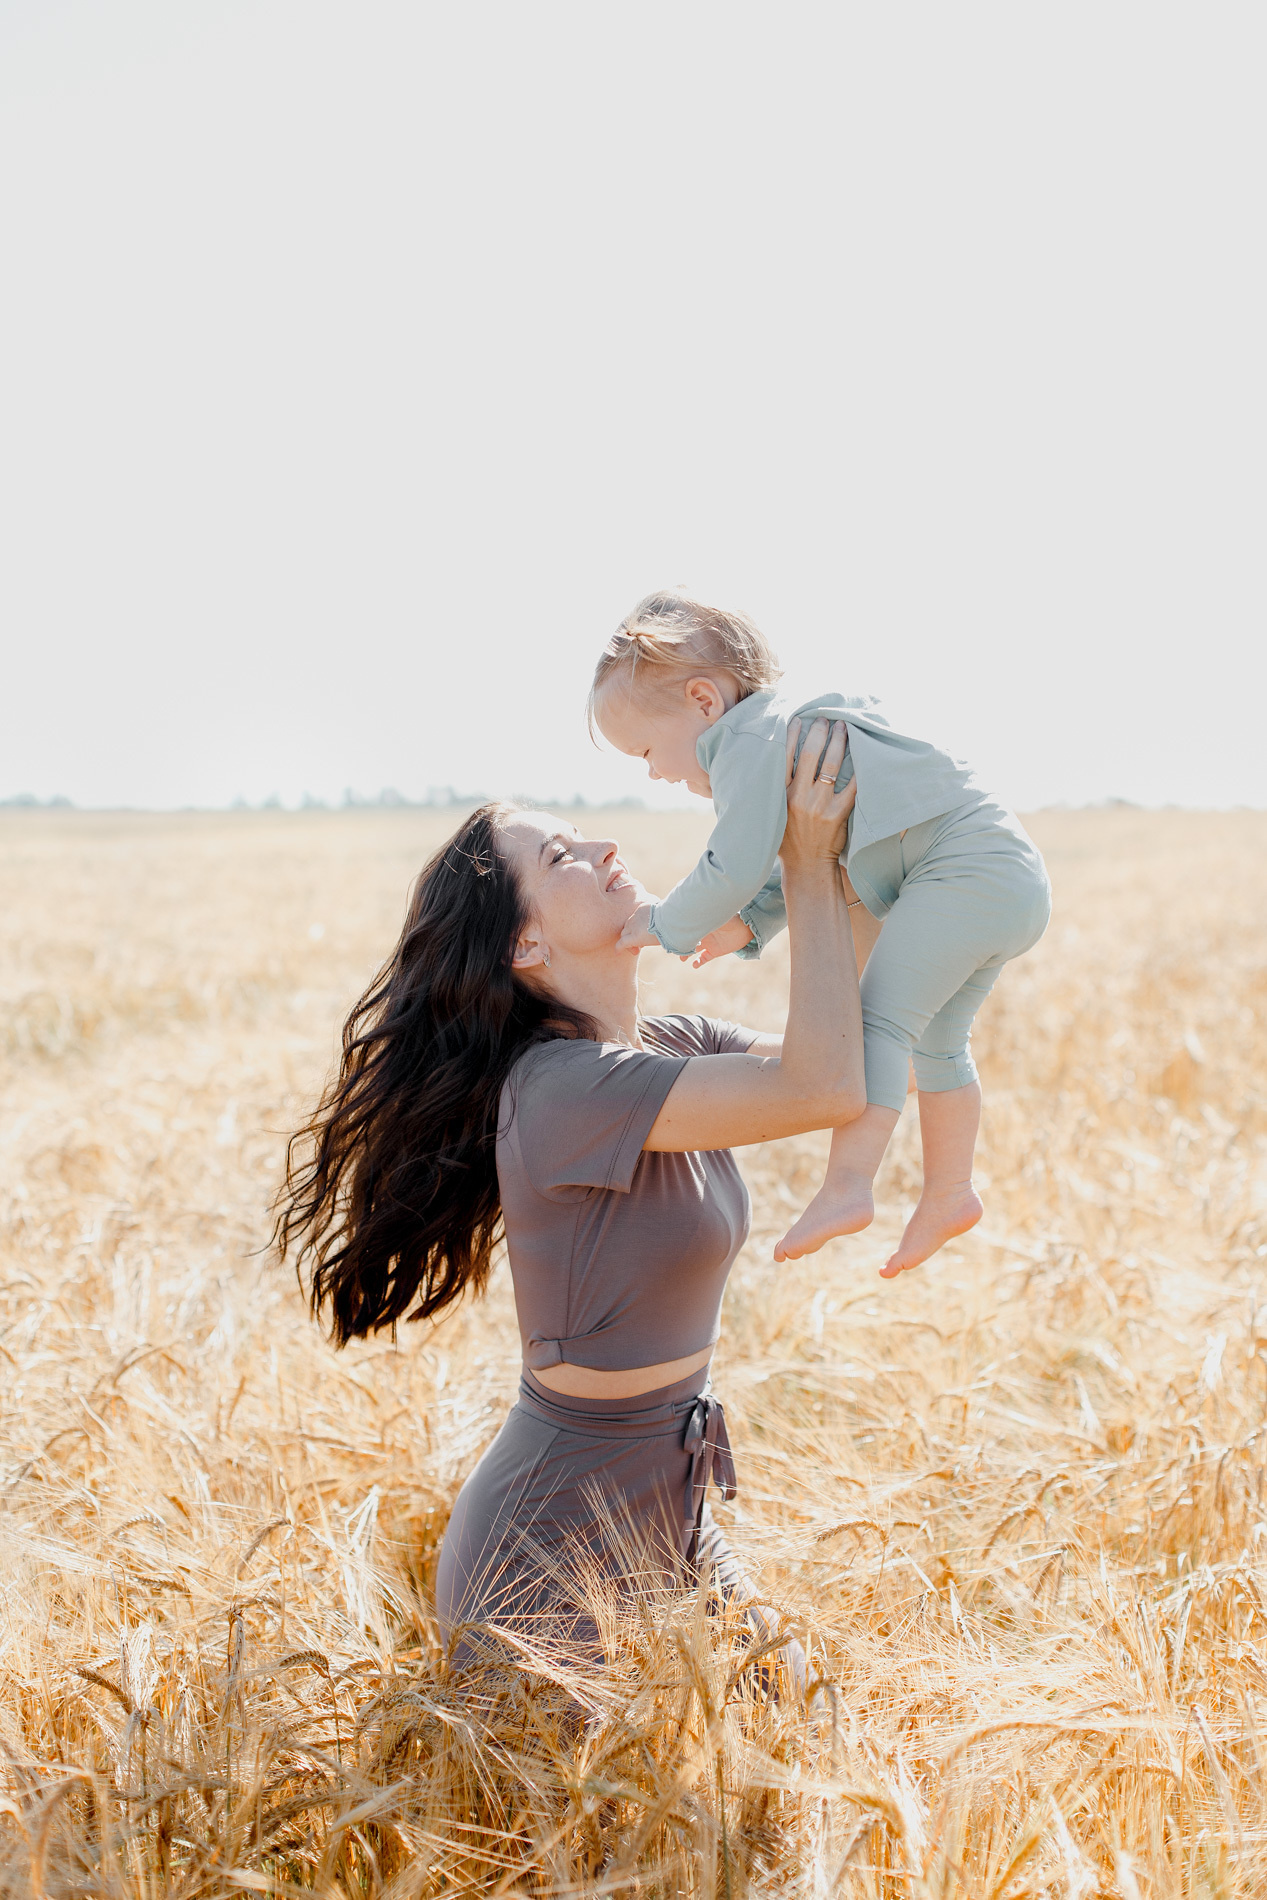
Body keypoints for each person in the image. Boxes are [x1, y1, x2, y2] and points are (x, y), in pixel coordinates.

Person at [273, 719, 863, 1671]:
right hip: (545, 1547)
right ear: (525, 939)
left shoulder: (677, 1045)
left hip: (671, 1510)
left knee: (802, 1730)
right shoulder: (558, 1089)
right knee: (547, 1816)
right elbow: (823, 1087)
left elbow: (864, 1063)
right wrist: (803, 858)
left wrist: (865, 871)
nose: (604, 847)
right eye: (562, 855)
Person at [594, 589, 1052, 1278]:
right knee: (938, 1041)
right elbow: (802, 855)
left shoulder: (746, 741)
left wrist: (662, 923)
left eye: (646, 751)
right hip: (999, 878)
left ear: (702, 701)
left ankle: (847, 1188)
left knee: (876, 1022)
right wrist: (749, 924)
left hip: (962, 871)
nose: (654, 771)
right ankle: (948, 1194)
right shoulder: (774, 732)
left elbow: (736, 860)